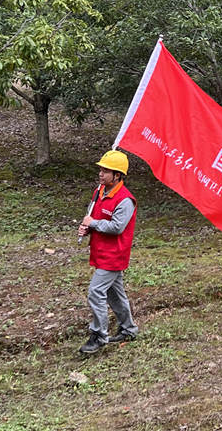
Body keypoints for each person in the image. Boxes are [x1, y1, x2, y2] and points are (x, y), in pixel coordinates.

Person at [77, 150, 139, 354]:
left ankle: (99, 335)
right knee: (115, 295)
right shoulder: (99, 192)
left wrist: (93, 223)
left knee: (96, 292)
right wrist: (87, 228)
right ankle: (129, 329)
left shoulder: (125, 200)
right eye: (101, 169)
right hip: (100, 252)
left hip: (114, 255)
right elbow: (93, 218)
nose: (101, 174)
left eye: (106, 171)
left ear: (118, 175)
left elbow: (117, 227)